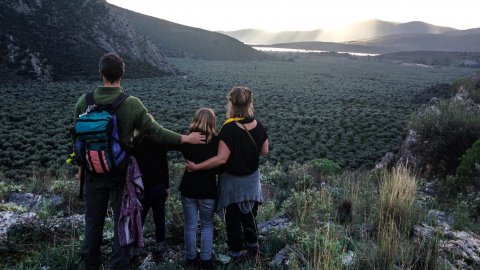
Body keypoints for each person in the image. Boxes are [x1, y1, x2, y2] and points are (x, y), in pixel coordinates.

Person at [73, 53, 205, 270]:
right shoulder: (131, 103)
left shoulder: (84, 102)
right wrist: (184, 138)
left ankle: (91, 265)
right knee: (122, 224)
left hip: (92, 173)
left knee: (93, 224)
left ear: (101, 73)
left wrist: (82, 168)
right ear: (122, 75)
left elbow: (78, 139)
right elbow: (156, 132)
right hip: (120, 174)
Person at [186, 86, 269, 262]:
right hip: (252, 181)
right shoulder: (259, 125)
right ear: (249, 103)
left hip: (233, 182)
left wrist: (197, 167)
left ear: (231, 103)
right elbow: (265, 150)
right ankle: (253, 249)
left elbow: (222, 159)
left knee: (233, 219)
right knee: (250, 216)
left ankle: (236, 255)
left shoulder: (228, 128)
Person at [179, 108, 221, 270]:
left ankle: (190, 258)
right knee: (206, 225)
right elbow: (219, 167)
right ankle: (205, 260)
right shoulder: (216, 141)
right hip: (207, 189)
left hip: (188, 187)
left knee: (190, 225)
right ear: (212, 122)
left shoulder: (187, 139)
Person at [131, 133, 170, 263]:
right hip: (158, 186)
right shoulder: (159, 143)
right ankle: (159, 247)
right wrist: (166, 187)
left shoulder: (135, 144)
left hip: (141, 188)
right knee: (159, 217)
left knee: (139, 219)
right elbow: (164, 167)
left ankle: (135, 250)